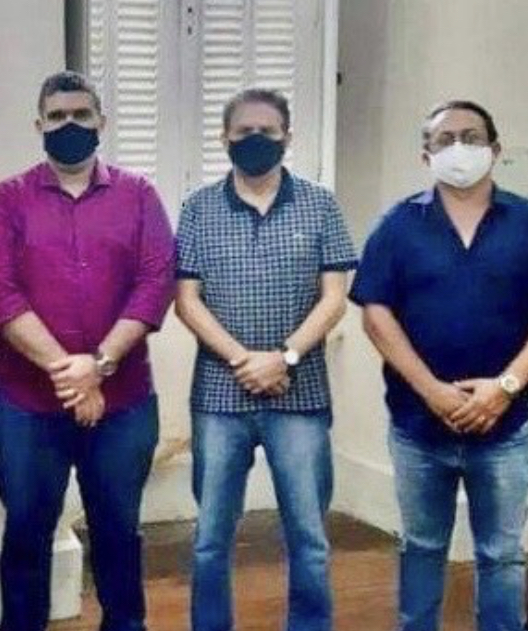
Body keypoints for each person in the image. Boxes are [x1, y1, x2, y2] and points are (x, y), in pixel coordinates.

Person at [350, 100, 528, 631]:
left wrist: (504, 388)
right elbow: (375, 316)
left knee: (501, 554)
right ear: (426, 156)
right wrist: (431, 390)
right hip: (418, 426)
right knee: (421, 546)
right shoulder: (397, 226)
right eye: (445, 140)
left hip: (505, 427)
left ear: (495, 149)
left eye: (471, 136)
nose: (459, 148)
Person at [0, 70, 175, 631]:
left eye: (81, 115)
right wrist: (73, 374)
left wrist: (101, 365)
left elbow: (155, 283)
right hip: (26, 404)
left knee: (118, 529)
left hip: (124, 402)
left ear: (101, 122)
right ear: (39, 125)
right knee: (26, 531)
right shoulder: (7, 199)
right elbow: (1, 296)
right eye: (58, 117)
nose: (70, 125)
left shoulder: (139, 195)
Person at [174, 87, 357, 631]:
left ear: (287, 137)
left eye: (267, 131)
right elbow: (186, 300)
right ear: (225, 138)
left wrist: (285, 357)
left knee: (309, 538)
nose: (256, 140)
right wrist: (244, 362)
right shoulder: (198, 207)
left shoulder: (320, 204)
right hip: (218, 397)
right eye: (244, 131)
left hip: (300, 396)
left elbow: (334, 298)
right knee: (211, 539)